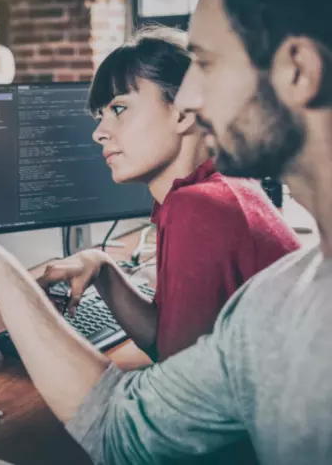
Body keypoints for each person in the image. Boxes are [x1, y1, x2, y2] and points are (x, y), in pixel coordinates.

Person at [0, 0, 332, 463]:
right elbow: (131, 420)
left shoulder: (207, 213)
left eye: (206, 64)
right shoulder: (284, 294)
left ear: (299, 70)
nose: (189, 97)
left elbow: (134, 435)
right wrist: (101, 266)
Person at [38, 27, 299, 369]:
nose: (99, 132)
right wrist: (102, 267)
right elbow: (165, 343)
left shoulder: (198, 208)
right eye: (100, 115)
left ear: (184, 112)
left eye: (118, 108)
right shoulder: (215, 187)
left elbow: (176, 386)